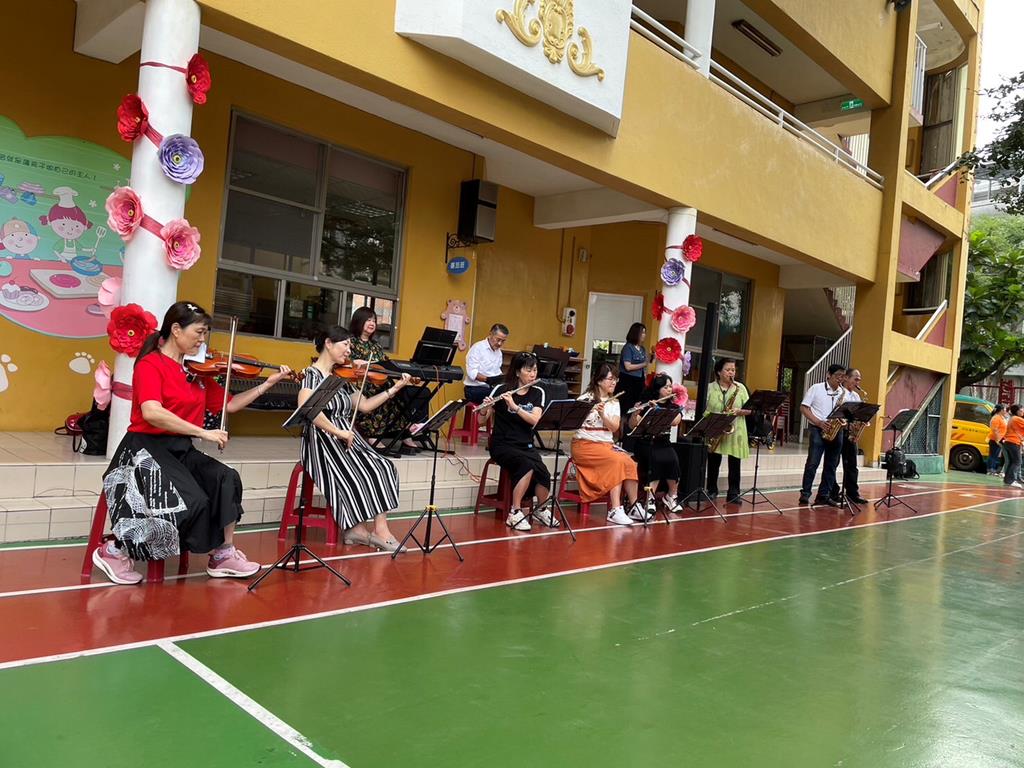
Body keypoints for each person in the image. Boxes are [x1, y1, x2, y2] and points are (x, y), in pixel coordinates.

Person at [94, 301, 294, 585]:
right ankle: (115, 549)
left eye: (205, 333)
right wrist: (203, 432)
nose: (203, 340)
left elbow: (230, 405)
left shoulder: (196, 373)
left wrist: (268, 384)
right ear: (176, 329)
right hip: (143, 450)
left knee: (226, 478)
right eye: (199, 332)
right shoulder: (150, 365)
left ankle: (223, 554)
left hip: (179, 449)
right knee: (190, 500)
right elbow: (152, 412)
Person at [300, 325, 413, 552]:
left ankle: (369, 530)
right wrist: (339, 432)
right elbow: (308, 410)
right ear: (328, 343)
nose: (349, 351)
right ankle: (363, 530)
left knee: (384, 466)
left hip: (348, 438)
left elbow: (365, 405)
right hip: (323, 441)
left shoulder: (341, 377)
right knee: (365, 470)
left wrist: (395, 388)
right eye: (345, 345)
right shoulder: (311, 375)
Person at [477, 351, 556, 532]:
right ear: (518, 371)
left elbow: (535, 420)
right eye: (528, 370)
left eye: (535, 370)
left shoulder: (538, 392)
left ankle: (541, 509)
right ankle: (515, 512)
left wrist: (514, 407)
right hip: (502, 444)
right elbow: (481, 421)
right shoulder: (501, 389)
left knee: (543, 472)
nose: (533, 374)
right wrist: (485, 409)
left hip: (525, 444)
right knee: (526, 465)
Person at [571, 364, 641, 525]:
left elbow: (614, 428)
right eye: (610, 379)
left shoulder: (614, 402)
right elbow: (573, 423)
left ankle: (634, 506)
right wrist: (589, 410)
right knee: (616, 461)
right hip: (585, 445)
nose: (614, 382)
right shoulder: (585, 399)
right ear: (599, 380)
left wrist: (602, 414)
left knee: (630, 462)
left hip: (605, 445)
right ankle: (615, 509)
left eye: (616, 379)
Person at [348, 306, 420, 453]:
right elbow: (350, 362)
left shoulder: (376, 345)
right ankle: (373, 435)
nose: (372, 323)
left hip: (379, 381)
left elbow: (387, 365)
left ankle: (404, 434)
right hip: (361, 383)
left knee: (401, 394)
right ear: (359, 321)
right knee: (377, 391)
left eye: (374, 320)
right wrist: (363, 363)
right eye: (368, 320)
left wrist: (406, 375)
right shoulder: (351, 342)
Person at [628, 373, 683, 515]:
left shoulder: (673, 406)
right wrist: (636, 413)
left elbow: (675, 421)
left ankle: (671, 496)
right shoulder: (646, 403)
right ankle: (650, 498)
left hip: (663, 442)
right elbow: (632, 425)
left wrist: (660, 409)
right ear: (657, 389)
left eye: (670, 387)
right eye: (666, 387)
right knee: (656, 459)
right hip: (645, 442)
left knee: (673, 460)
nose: (669, 390)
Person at [798, 364, 846, 507]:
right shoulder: (816, 388)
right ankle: (805, 493)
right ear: (828, 375)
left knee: (831, 465)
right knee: (813, 463)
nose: (840, 379)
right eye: (837, 375)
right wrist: (818, 422)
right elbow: (804, 408)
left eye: (842, 376)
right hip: (817, 428)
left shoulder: (842, 392)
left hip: (836, 430)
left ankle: (823, 495)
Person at [704, 358, 750, 504]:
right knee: (713, 460)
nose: (731, 373)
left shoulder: (740, 388)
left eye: (733, 370)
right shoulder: (710, 387)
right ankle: (712, 489)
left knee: (735, 461)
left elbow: (750, 409)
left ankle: (734, 492)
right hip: (716, 427)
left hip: (735, 429)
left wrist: (739, 411)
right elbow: (704, 408)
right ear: (719, 372)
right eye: (728, 370)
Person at [830, 368, 870, 505]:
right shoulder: (839, 392)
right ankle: (833, 493)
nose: (858, 382)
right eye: (856, 379)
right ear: (846, 378)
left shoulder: (857, 396)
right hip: (838, 431)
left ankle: (853, 494)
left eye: (859, 380)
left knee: (852, 465)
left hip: (850, 434)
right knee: (833, 464)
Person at [615, 322, 648, 438]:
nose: (644, 335)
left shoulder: (642, 349)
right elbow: (628, 366)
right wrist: (643, 364)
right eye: (642, 333)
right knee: (624, 409)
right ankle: (620, 435)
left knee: (635, 408)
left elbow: (645, 364)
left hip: (639, 381)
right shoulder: (628, 347)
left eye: (645, 333)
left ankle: (630, 432)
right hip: (627, 381)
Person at [463, 323, 509, 404]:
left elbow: (497, 372)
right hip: (474, 389)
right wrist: (489, 380)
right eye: (498, 339)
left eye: (503, 341)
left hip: (490, 388)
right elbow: (472, 373)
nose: (500, 343)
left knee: (509, 394)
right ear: (490, 334)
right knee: (502, 399)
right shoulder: (477, 348)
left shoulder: (499, 353)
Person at [987, 404, 1007, 476]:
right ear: (1001, 410)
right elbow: (994, 430)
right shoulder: (996, 418)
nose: (1005, 411)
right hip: (995, 439)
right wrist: (997, 440)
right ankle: (990, 470)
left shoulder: (1001, 417)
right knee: (993, 455)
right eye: (1005, 410)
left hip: (999, 439)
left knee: (995, 455)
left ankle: (992, 469)